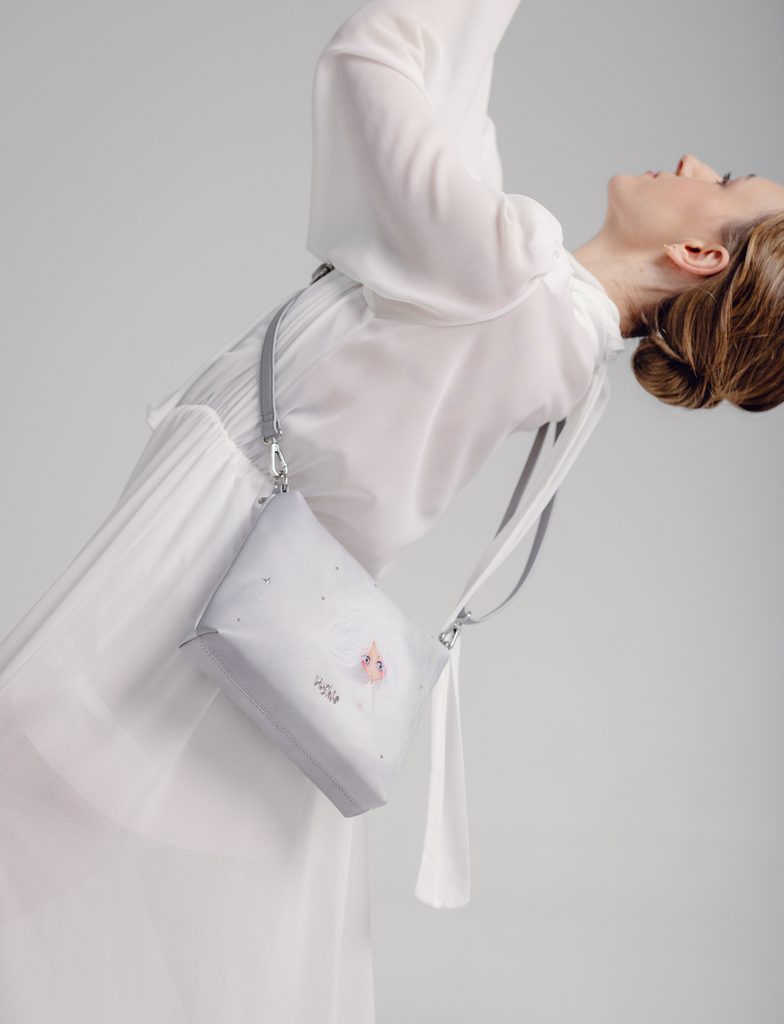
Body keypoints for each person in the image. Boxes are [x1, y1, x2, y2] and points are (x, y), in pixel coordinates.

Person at [1, 1, 782, 1021]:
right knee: (53, 826)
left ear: (699, 257)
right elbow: (444, 120)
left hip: (206, 568)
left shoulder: (508, 277)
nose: (692, 163)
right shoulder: (553, 327)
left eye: (721, 184)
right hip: (263, 599)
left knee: (32, 802)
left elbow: (372, 64)